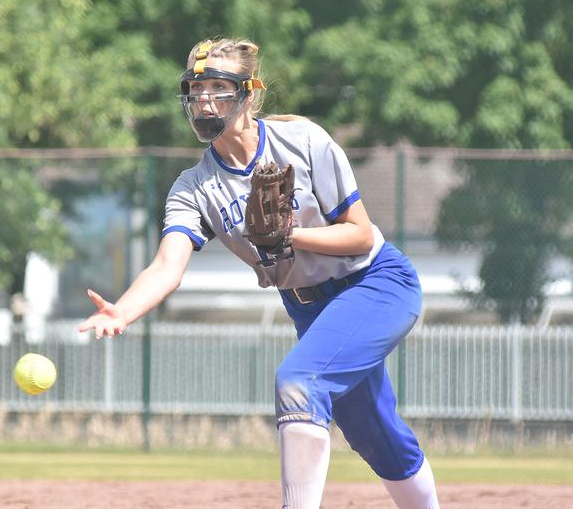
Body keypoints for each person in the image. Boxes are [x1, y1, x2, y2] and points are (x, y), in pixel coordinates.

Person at [78, 37, 440, 509]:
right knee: (376, 435)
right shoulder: (194, 188)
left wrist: (291, 235)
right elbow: (168, 265)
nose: (204, 100)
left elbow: (359, 235)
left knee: (299, 382)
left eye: (218, 89)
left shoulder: (303, 140)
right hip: (310, 308)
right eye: (196, 89)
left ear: (249, 94)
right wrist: (122, 311)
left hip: (375, 283)